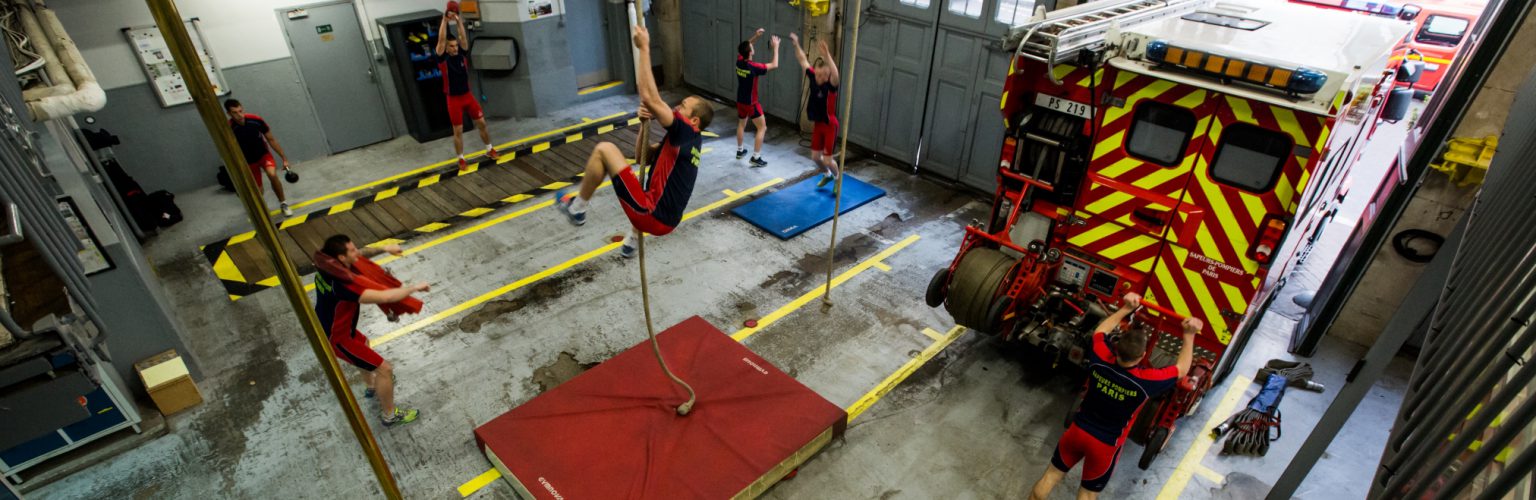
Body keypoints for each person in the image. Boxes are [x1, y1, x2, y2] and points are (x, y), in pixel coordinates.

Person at [553, 24, 713, 259]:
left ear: (694, 120)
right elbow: (641, 158)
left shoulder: (685, 132)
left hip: (652, 216)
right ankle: (632, 240)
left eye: (682, 107)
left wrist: (645, 48)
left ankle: (577, 208)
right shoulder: (686, 145)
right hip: (666, 221)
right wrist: (642, 124)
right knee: (646, 185)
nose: (676, 108)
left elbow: (649, 97)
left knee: (604, 150)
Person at [1029, 293, 1203, 500]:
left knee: (1051, 476)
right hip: (1105, 446)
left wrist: (1125, 308)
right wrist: (1189, 335)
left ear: (1117, 347)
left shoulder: (1100, 357)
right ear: (1141, 356)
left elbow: (1100, 331)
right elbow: (1182, 370)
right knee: (1086, 494)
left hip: (1077, 432)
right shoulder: (1146, 381)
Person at [314, 234, 430, 427]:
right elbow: (385, 297)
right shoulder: (343, 286)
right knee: (385, 369)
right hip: (338, 339)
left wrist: (385, 249)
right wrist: (414, 288)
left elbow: (360, 254)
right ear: (341, 258)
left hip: (339, 329)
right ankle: (390, 416)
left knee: (365, 344)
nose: (356, 252)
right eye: (351, 250)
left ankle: (370, 386)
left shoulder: (326, 267)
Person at [434, 11, 500, 171]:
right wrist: (444, 20)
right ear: (446, 48)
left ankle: (489, 149)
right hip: (453, 99)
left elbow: (463, 37)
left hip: (467, 96)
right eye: (452, 46)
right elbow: (441, 39)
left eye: (456, 45)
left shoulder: (461, 54)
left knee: (482, 123)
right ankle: (461, 159)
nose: (455, 48)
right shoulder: (443, 58)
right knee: (458, 130)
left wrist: (458, 21)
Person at [225, 99, 294, 216]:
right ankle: (261, 210)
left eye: (240, 111)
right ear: (229, 114)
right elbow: (229, 151)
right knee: (259, 191)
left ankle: (284, 203)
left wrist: (284, 159)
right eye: (235, 112)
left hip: (263, 155)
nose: (239, 115)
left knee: (272, 175)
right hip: (248, 162)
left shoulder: (256, 120)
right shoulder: (229, 128)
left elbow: (271, 139)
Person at [789, 33, 841, 188]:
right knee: (815, 157)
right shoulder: (813, 76)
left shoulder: (831, 87)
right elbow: (802, 60)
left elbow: (835, 74)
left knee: (827, 159)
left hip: (830, 124)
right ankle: (827, 175)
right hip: (818, 124)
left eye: (824, 75)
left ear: (827, 76)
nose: (820, 77)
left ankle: (838, 179)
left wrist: (827, 55)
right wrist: (797, 44)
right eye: (818, 74)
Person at [734, 28, 780, 167]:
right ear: (750, 52)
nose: (753, 46)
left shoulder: (739, 61)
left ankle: (740, 151)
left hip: (740, 100)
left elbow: (746, 44)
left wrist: (756, 36)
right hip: (752, 103)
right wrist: (776, 48)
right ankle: (755, 157)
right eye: (752, 47)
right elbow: (775, 65)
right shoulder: (753, 67)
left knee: (741, 124)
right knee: (762, 128)